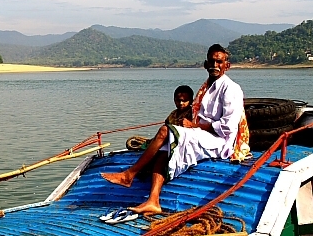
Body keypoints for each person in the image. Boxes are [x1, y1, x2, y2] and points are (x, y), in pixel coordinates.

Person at [102, 44, 250, 215]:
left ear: (227, 65)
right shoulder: (207, 87)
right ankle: (153, 201)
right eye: (211, 61)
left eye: (219, 62)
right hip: (202, 134)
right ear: (205, 64)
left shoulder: (231, 89)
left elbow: (228, 127)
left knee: (165, 131)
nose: (215, 65)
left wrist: (195, 126)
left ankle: (129, 175)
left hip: (219, 141)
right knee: (164, 151)